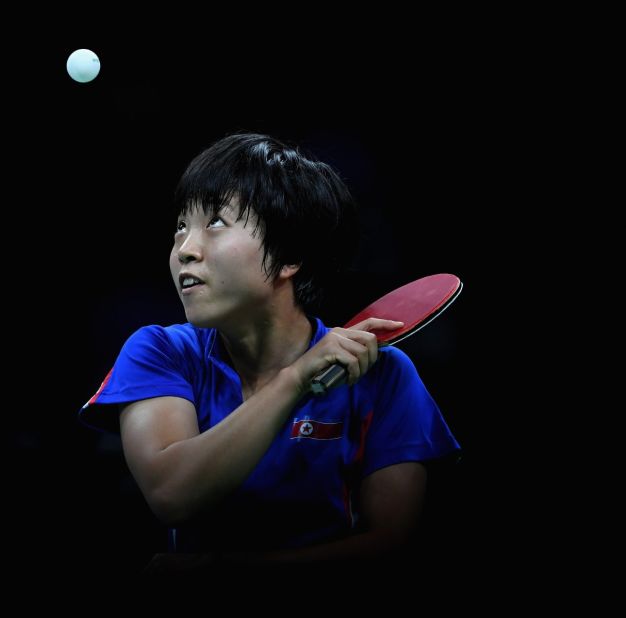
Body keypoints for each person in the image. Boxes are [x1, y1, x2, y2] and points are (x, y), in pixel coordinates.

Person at [78, 133, 460, 570]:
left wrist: (226, 571)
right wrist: (295, 380)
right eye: (181, 226)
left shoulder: (381, 373)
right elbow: (172, 493)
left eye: (216, 222)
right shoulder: (160, 352)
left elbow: (392, 545)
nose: (185, 250)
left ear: (289, 254)